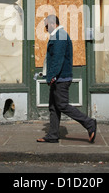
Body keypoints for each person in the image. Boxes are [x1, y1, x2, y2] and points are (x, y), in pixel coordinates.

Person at [37, 15, 97, 143]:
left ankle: (89, 123)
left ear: (53, 24)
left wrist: (52, 76)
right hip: (58, 77)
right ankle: (53, 135)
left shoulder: (60, 36)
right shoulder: (58, 35)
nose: (46, 29)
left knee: (62, 105)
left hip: (61, 78)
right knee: (53, 107)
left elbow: (57, 59)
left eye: (47, 26)